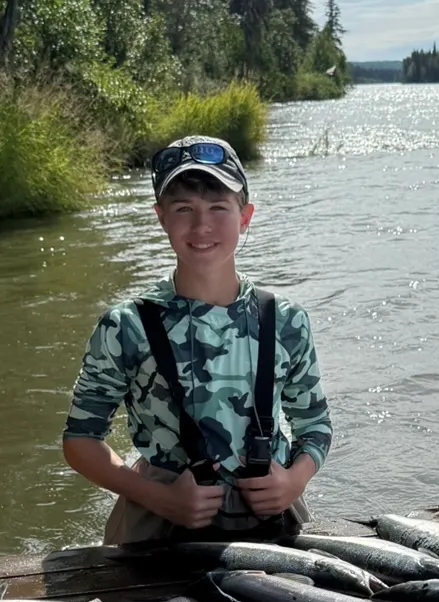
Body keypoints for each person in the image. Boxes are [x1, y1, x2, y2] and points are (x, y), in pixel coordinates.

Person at [62, 136, 332, 544]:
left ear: (245, 217)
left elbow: (315, 426)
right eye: (183, 209)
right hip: (158, 521)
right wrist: (159, 497)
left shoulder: (286, 320)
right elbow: (80, 441)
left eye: (218, 208)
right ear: (160, 217)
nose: (201, 226)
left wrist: (294, 480)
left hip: (273, 521)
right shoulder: (125, 325)